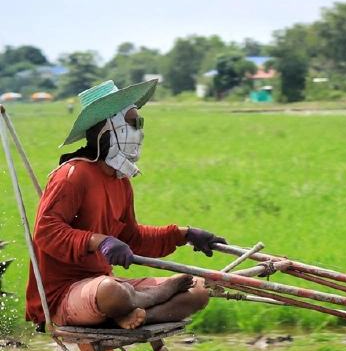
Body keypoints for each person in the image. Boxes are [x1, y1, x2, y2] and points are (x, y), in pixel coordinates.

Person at [25, 79, 227, 331]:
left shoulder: (120, 182)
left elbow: (132, 238)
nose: (140, 130)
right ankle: (143, 300)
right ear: (110, 129)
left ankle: (132, 314)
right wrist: (100, 241)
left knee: (199, 290)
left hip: (106, 283)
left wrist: (184, 234)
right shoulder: (72, 174)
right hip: (66, 293)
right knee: (112, 292)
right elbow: (46, 232)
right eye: (134, 122)